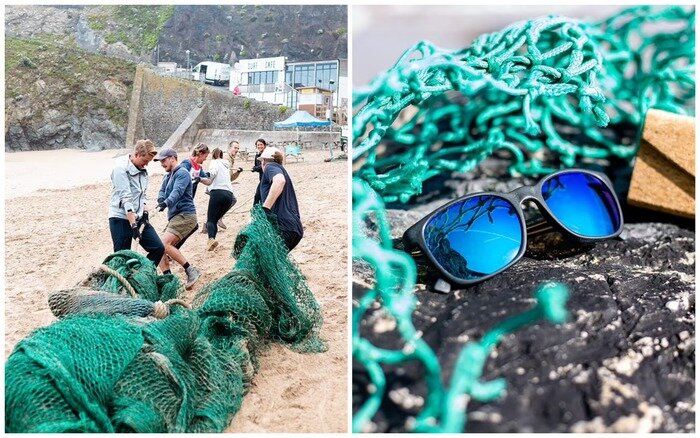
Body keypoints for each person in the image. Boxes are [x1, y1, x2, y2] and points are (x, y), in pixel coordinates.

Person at [108, 139, 165, 266]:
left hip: (138, 218)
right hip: (121, 219)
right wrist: (133, 226)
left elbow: (142, 194)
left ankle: (141, 276)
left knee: (158, 248)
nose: (146, 165)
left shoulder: (142, 169)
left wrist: (145, 214)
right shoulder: (120, 169)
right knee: (121, 260)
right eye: (145, 161)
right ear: (137, 154)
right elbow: (126, 198)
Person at [154, 147, 202, 289]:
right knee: (158, 248)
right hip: (175, 217)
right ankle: (168, 279)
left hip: (186, 215)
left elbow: (177, 192)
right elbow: (162, 191)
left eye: (163, 160)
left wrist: (166, 203)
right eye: (160, 161)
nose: (162, 163)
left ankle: (190, 270)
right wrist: (161, 200)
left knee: (163, 244)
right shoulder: (167, 175)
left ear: (172, 158)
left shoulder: (182, 173)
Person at [259, 146, 304, 251]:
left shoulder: (270, 167)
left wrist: (266, 208)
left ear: (263, 161)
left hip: (283, 227)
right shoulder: (280, 168)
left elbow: (279, 181)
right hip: (293, 227)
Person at [205, 148, 237, 250]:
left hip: (217, 192)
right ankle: (212, 240)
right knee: (215, 219)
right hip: (229, 195)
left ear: (213, 155)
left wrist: (207, 175)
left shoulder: (214, 162)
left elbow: (213, 172)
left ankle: (211, 239)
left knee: (210, 220)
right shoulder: (226, 165)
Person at [251, 138, 267, 205]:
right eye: (258, 145)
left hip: (268, 179)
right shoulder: (257, 155)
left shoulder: (267, 154)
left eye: (261, 144)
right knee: (258, 197)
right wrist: (254, 169)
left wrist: (256, 168)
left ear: (265, 145)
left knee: (261, 196)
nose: (260, 146)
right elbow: (257, 166)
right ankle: (257, 212)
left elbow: (265, 165)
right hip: (262, 179)